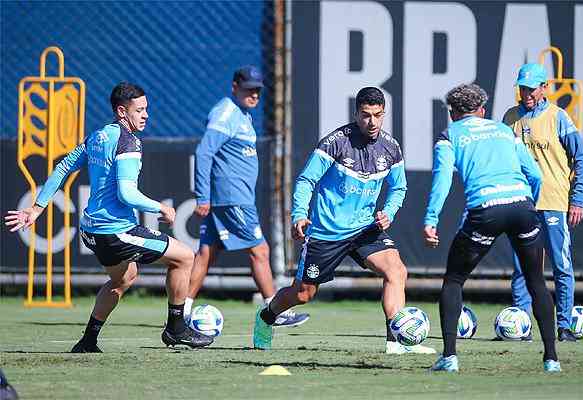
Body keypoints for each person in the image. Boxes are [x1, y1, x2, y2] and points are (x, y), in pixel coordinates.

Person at [4, 82, 212, 352]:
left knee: (123, 278)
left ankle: (88, 341)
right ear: (122, 112)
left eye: (146, 109)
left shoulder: (99, 136)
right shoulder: (129, 141)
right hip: (115, 231)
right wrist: (161, 208)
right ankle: (176, 328)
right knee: (185, 257)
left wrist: (37, 207)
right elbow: (127, 193)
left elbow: (63, 166)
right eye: (140, 110)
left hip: (91, 231)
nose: (146, 115)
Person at [252, 87, 435, 355]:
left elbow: (399, 188)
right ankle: (266, 317)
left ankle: (395, 343)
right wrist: (300, 214)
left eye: (378, 115)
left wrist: (390, 211)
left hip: (365, 229)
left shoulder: (391, 147)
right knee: (303, 294)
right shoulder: (335, 143)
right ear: (356, 113)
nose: (371, 122)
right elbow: (306, 180)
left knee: (396, 271)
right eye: (365, 115)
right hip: (327, 232)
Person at [423, 83, 560, 372]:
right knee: (536, 282)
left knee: (454, 280)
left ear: (453, 114)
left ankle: (449, 358)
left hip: (486, 210)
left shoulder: (449, 136)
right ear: (482, 111)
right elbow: (535, 174)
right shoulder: (504, 131)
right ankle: (551, 360)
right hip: (522, 207)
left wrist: (431, 219)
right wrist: (528, 205)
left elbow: (442, 181)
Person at [187, 65, 309, 328]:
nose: (254, 95)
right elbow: (204, 152)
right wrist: (202, 196)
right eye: (248, 90)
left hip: (232, 197)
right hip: (233, 198)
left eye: (257, 91)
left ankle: (181, 311)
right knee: (260, 251)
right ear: (234, 87)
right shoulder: (226, 113)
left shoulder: (242, 114)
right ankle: (274, 310)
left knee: (206, 253)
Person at [503, 63, 583, 342]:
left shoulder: (559, 117)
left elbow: (582, 159)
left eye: (532, 88)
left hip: (553, 201)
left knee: (561, 265)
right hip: (522, 204)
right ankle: (521, 325)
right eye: (523, 87)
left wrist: (577, 200)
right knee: (522, 266)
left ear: (544, 88)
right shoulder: (510, 117)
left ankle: (564, 326)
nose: (527, 93)